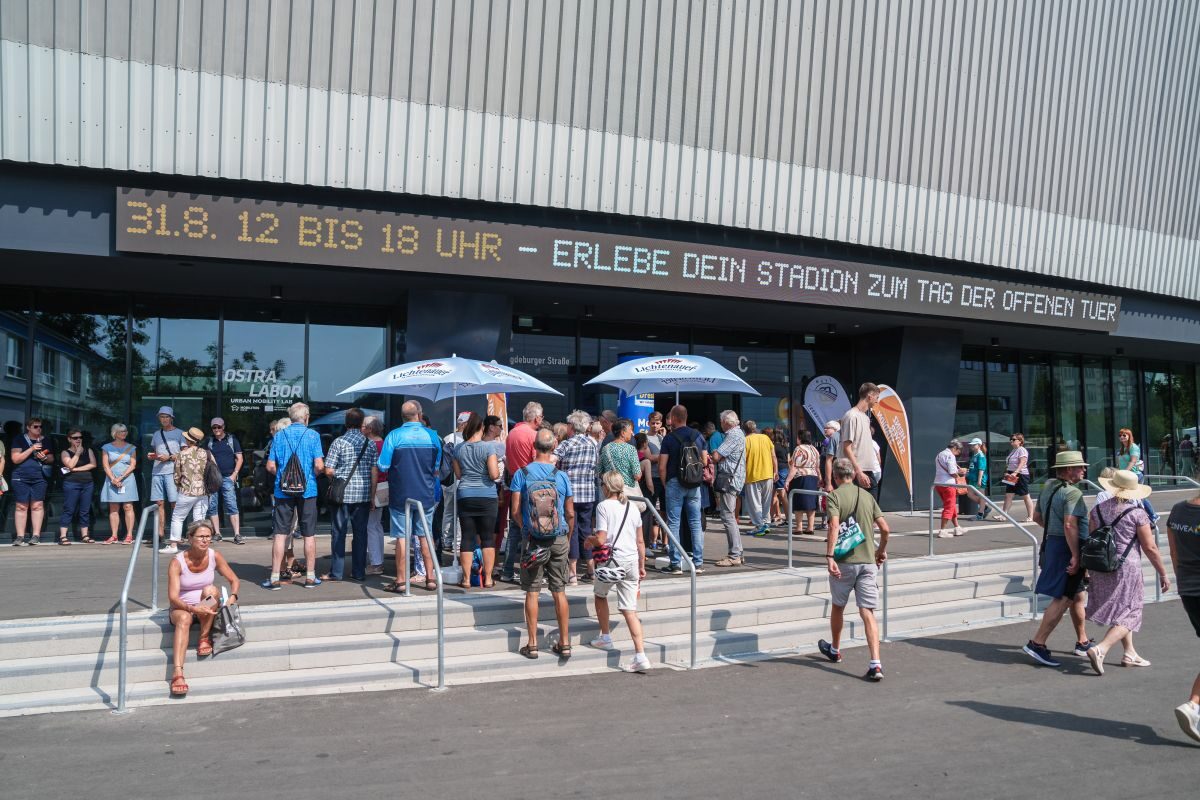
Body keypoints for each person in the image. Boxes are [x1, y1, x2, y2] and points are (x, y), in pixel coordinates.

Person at [1083, 470, 1170, 675]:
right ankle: (1101, 649)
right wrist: (1163, 573)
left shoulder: (1097, 509)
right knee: (1131, 612)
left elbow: (1092, 537)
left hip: (1102, 564)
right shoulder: (1138, 513)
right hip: (1126, 566)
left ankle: (1129, 653)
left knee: (1122, 610)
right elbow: (1150, 547)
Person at [817, 457, 890, 680]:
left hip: (845, 562)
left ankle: (836, 649)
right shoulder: (867, 496)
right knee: (867, 612)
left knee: (838, 606)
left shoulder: (835, 496)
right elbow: (886, 529)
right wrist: (881, 551)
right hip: (868, 562)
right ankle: (875, 663)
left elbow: (834, 526)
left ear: (836, 477)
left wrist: (829, 556)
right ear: (853, 475)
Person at [1021, 450, 1094, 667]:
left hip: (1053, 544)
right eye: (1080, 466)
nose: (1084, 469)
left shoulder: (1049, 487)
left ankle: (1082, 641)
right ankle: (1037, 643)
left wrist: (1053, 531)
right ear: (1069, 470)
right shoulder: (1073, 493)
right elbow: (1070, 524)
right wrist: (1075, 555)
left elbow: (1036, 516)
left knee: (1077, 595)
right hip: (1068, 548)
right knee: (1063, 597)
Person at [512, 428, 575, 659]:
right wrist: (566, 537)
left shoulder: (523, 473)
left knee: (532, 591)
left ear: (533, 447)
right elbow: (570, 512)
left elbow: (516, 511)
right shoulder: (561, 476)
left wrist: (527, 529)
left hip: (533, 541)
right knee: (559, 591)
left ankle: (532, 644)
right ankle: (565, 642)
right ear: (554, 447)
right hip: (558, 538)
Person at [166, 520, 240, 697]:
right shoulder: (177, 562)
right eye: (200, 536)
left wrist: (232, 597)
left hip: (206, 606)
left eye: (208, 536)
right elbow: (173, 597)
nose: (205, 540)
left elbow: (234, 580)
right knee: (184, 619)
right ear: (190, 538)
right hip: (182, 607)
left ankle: (204, 637)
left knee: (211, 590)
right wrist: (193, 609)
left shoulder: (214, 556)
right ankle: (177, 673)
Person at [588, 470, 650, 673]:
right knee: (630, 610)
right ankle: (640, 653)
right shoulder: (632, 507)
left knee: (600, 595)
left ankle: (605, 635)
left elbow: (601, 538)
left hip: (611, 561)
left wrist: (589, 541)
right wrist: (642, 565)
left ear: (606, 486)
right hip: (631, 560)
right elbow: (640, 541)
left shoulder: (603, 506)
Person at [375, 400, 440, 593]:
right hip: (425, 493)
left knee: (401, 537)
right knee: (425, 536)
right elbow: (436, 467)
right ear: (419, 414)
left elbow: (383, 465)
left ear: (402, 416)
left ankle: (401, 581)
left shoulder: (394, 436)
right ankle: (430, 578)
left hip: (400, 494)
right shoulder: (433, 436)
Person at [263, 403, 325, 590]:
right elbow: (320, 466)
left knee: (280, 534)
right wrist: (309, 476)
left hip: (283, 491)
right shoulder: (313, 436)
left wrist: (284, 478)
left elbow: (270, 466)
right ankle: (310, 578)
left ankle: (275, 577)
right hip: (308, 490)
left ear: (291, 417)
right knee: (309, 534)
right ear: (306, 417)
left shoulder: (279, 436)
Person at [322, 407, 376, 582]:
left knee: (339, 533)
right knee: (361, 534)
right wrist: (372, 494)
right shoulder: (370, 444)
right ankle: (358, 572)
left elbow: (328, 470)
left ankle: (336, 572)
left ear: (346, 423)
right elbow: (374, 472)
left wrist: (340, 475)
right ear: (361, 423)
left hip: (342, 495)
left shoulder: (339, 442)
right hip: (364, 495)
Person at [1165, 487, 1200, 743]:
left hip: (1188, 589)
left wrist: (1182, 582)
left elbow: (1174, 553)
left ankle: (1195, 706)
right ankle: (1194, 705)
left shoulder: (1178, 510)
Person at [658, 404, 709, 574]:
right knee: (695, 522)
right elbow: (705, 461)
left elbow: (662, 466)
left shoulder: (669, 438)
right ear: (686, 417)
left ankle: (675, 563)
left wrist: (665, 483)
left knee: (674, 522)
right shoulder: (698, 436)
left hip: (674, 482)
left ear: (673, 418)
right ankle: (698, 562)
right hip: (694, 484)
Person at [452, 412, 500, 589]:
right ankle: (487, 578)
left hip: (465, 494)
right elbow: (494, 474)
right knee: (487, 538)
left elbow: (458, 474)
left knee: (467, 537)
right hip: (486, 495)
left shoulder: (458, 448)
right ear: (482, 427)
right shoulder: (488, 448)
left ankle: (465, 579)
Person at [553, 410, 599, 585]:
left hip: (569, 493)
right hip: (588, 492)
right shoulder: (593, 443)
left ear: (571, 427)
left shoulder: (566, 444)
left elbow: (551, 459)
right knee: (586, 529)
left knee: (570, 530)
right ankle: (590, 569)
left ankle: (572, 573)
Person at [500, 402, 543, 582]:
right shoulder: (534, 435)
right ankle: (529, 572)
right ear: (535, 418)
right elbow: (537, 461)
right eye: (541, 417)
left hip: (515, 483)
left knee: (514, 530)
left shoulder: (511, 434)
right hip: (532, 486)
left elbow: (509, 462)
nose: (541, 420)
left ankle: (507, 570)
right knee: (532, 529)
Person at [162, 427, 212, 555]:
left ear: (188, 440)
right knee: (199, 519)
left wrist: (179, 485)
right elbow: (213, 471)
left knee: (178, 517)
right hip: (203, 491)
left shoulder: (182, 454)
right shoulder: (206, 453)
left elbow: (177, 475)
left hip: (186, 491)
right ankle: (200, 544)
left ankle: (174, 545)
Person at [9, 417, 54, 545]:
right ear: (28, 427)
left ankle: (36, 535)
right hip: (20, 476)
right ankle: (20, 536)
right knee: (21, 506)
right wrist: (31, 449)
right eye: (35, 426)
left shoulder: (46, 440)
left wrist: (45, 458)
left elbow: (51, 459)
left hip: (39, 476)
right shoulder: (19, 439)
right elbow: (15, 459)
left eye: (40, 426)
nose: (39, 429)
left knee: (37, 505)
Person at [711, 410, 746, 567]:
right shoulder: (739, 434)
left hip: (730, 479)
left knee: (727, 516)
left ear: (726, 422)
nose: (720, 424)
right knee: (730, 516)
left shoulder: (733, 435)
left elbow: (717, 456)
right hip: (734, 478)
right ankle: (738, 552)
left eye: (721, 421)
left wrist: (716, 454)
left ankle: (734, 555)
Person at [146, 406, 186, 544]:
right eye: (161, 417)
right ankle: (160, 534)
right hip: (157, 471)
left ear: (171, 418)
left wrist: (168, 458)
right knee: (159, 503)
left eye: (166, 416)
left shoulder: (180, 433)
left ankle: (177, 535)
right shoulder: (157, 434)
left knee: (175, 503)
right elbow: (157, 451)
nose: (164, 419)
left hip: (172, 472)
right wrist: (153, 456)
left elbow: (185, 455)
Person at [206, 417, 243, 545]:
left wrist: (234, 474)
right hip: (213, 477)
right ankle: (217, 533)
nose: (216, 429)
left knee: (231, 505)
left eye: (219, 427)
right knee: (212, 506)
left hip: (228, 477)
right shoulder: (209, 441)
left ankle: (237, 534)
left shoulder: (232, 440)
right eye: (214, 427)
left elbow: (240, 458)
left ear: (223, 427)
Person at [57, 428, 98, 544]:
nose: (78, 440)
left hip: (87, 483)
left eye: (80, 437)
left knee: (85, 510)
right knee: (69, 509)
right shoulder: (65, 452)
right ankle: (63, 536)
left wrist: (75, 469)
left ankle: (85, 535)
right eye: (75, 438)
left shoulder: (88, 450)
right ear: (69, 439)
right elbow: (70, 464)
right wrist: (77, 453)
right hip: (71, 483)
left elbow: (93, 464)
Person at [100, 423, 139, 544]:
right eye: (122, 431)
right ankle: (114, 535)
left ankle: (129, 535)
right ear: (115, 433)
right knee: (114, 507)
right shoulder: (106, 447)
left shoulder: (131, 447)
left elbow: (133, 465)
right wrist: (113, 479)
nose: (124, 433)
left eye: (125, 431)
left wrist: (120, 478)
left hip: (127, 479)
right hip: (112, 479)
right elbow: (105, 465)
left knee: (128, 506)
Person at [840, 383, 881, 495]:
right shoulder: (851, 416)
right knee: (857, 510)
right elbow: (847, 448)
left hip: (866, 470)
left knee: (870, 508)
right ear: (870, 396)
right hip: (854, 472)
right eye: (877, 398)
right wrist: (859, 472)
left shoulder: (866, 418)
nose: (877, 401)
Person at [362, 415, 387, 576]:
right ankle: (378, 560)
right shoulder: (384, 444)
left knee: (371, 526)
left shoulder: (370, 445)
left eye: (363, 426)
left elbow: (372, 472)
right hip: (384, 488)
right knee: (377, 526)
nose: (361, 428)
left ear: (370, 429)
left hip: (374, 488)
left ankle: (376, 563)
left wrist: (371, 495)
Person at [741, 420, 775, 537]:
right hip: (768, 473)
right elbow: (773, 455)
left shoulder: (745, 441)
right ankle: (766, 523)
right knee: (766, 502)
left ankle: (759, 526)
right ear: (755, 428)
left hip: (753, 475)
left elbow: (743, 460)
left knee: (755, 503)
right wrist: (775, 471)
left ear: (744, 430)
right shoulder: (765, 438)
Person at [783, 429, 821, 536]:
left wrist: (787, 480)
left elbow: (795, 467)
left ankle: (799, 527)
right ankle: (810, 527)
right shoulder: (814, 449)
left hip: (801, 477)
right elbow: (817, 467)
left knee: (798, 501)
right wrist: (820, 478)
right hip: (813, 476)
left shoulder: (799, 449)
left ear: (800, 437)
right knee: (811, 502)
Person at [599, 418, 641, 497]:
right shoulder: (631, 449)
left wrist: (611, 480)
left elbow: (599, 472)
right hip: (627, 493)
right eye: (630, 430)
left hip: (610, 492)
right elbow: (637, 475)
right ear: (623, 433)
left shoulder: (605, 448)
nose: (631, 433)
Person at [998, 432, 1034, 523]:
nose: (1011, 441)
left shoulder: (1022, 450)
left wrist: (1015, 472)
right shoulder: (1013, 450)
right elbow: (1009, 463)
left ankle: (1030, 516)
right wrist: (1007, 472)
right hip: (1011, 474)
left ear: (1020, 441)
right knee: (1008, 495)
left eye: (1013, 439)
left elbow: (1023, 462)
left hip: (1021, 474)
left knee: (1025, 495)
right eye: (1011, 439)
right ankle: (1004, 515)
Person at [934, 440, 967, 539]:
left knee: (951, 506)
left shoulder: (940, 454)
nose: (958, 454)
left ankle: (957, 527)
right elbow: (952, 472)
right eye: (958, 452)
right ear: (955, 448)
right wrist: (960, 473)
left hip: (938, 483)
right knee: (949, 507)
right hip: (948, 484)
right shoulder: (950, 456)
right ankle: (942, 530)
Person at [770, 428, 790, 525]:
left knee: (781, 494)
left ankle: (786, 518)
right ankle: (772, 517)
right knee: (776, 494)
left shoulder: (774, 446)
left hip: (778, 471)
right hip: (785, 469)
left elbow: (772, 459)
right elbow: (789, 459)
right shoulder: (785, 446)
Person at [966, 437, 988, 520]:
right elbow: (973, 467)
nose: (971, 446)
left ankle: (980, 514)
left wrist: (979, 480)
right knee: (970, 495)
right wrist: (968, 472)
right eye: (971, 445)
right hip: (972, 478)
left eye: (973, 445)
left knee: (981, 496)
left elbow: (981, 469)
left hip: (979, 479)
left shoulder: (981, 455)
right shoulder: (974, 455)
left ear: (979, 445)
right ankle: (985, 506)